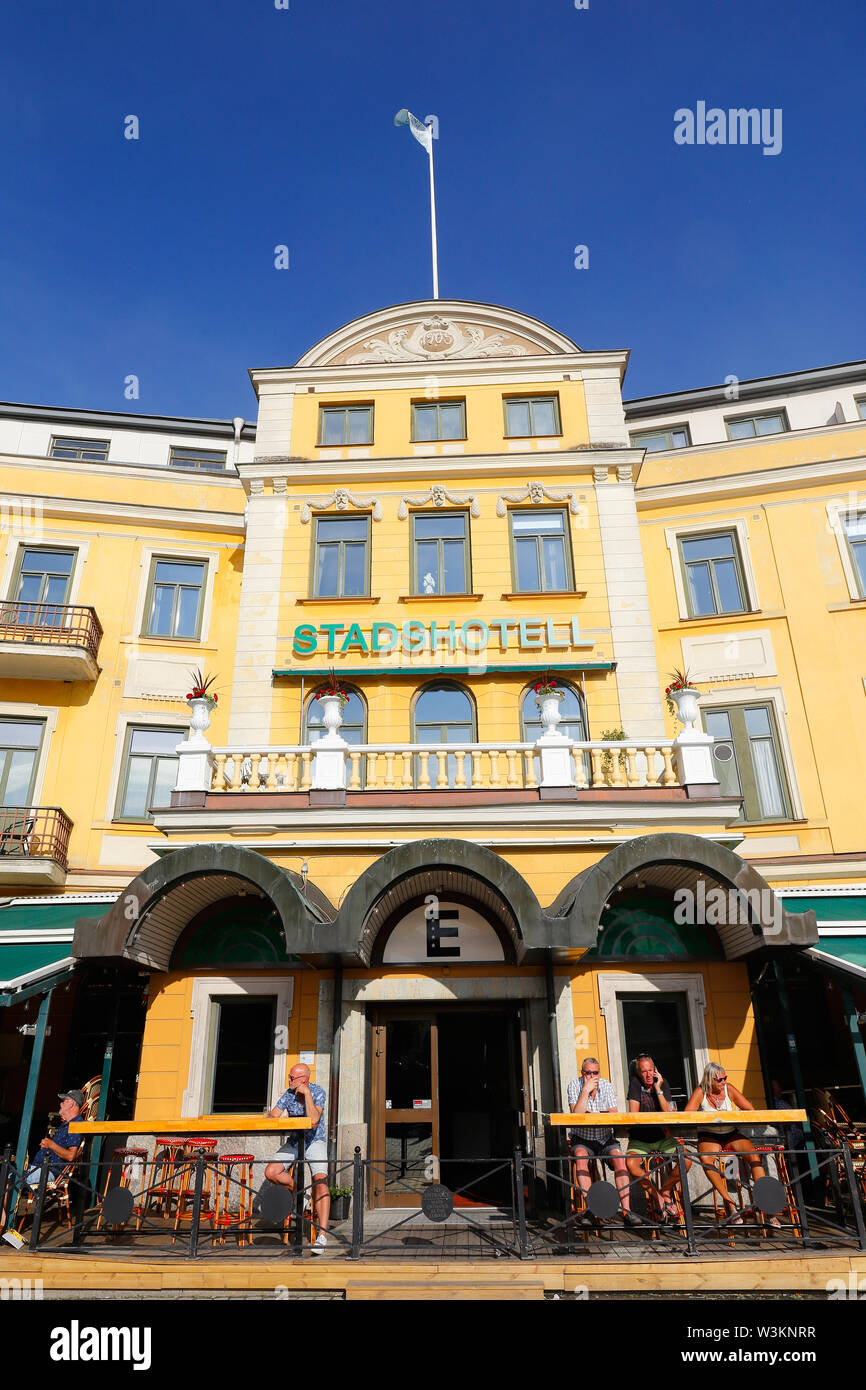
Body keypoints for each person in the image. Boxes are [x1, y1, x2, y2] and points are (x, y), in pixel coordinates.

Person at [684, 1061, 781, 1229]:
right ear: (709, 1080)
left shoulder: (729, 1089)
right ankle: (729, 1203)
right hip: (709, 1135)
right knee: (706, 1161)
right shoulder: (701, 1091)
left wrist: (735, 1114)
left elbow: (750, 1110)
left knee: (753, 1156)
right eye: (719, 1079)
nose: (723, 1082)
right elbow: (687, 1115)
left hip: (731, 1133)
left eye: (724, 1078)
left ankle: (766, 1205)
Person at [264, 1063, 330, 1254]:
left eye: (292, 1077)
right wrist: (271, 1119)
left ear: (303, 1080)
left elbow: (314, 1119)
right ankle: (301, 1193)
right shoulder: (288, 1093)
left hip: (314, 1141)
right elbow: (274, 1115)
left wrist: (306, 1094)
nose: (289, 1080)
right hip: (295, 1142)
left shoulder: (318, 1092)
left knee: (321, 1181)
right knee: (271, 1171)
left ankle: (322, 1237)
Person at [568, 1056, 641, 1227]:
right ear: (582, 1073)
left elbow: (613, 1114)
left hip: (605, 1137)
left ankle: (626, 1211)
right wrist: (585, 1091)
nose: (592, 1076)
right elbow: (576, 1116)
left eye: (595, 1073)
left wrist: (592, 1115)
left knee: (620, 1161)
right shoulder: (574, 1085)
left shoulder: (606, 1085)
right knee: (580, 1158)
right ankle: (591, 1208)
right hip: (583, 1138)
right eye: (588, 1073)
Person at [1, 1090, 84, 1237]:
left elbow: (71, 1156)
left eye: (63, 1101)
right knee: (6, 1172)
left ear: (71, 1103)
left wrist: (51, 1145)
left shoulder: (76, 1125)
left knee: (7, 1176)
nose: (60, 1103)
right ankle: (4, 1221)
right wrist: (48, 1146)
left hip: (49, 1172)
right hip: (40, 1168)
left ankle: (3, 1223)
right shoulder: (67, 1124)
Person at [625, 1054, 691, 1221]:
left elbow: (668, 1113)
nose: (648, 1075)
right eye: (644, 1071)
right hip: (640, 1138)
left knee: (688, 1159)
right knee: (630, 1164)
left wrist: (659, 1088)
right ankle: (658, 1197)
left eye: (651, 1070)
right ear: (638, 1073)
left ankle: (665, 1191)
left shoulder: (663, 1083)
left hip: (663, 1137)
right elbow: (634, 1114)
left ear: (655, 1071)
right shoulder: (635, 1083)